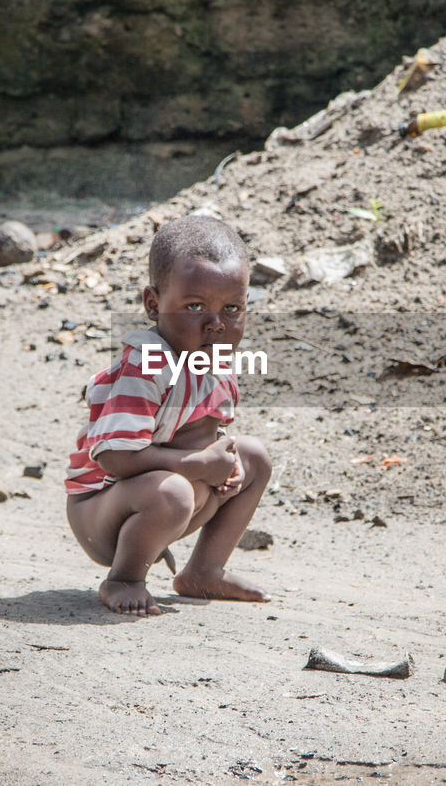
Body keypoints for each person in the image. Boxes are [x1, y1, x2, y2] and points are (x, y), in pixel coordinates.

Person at [64, 215, 271, 616]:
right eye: (195, 307)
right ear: (153, 304)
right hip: (104, 511)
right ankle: (124, 578)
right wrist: (197, 464)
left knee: (254, 457)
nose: (216, 325)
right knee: (174, 492)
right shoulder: (145, 367)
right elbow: (115, 458)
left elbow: (206, 436)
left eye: (232, 309)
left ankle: (204, 572)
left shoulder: (216, 365)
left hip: (167, 496)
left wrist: (226, 467)